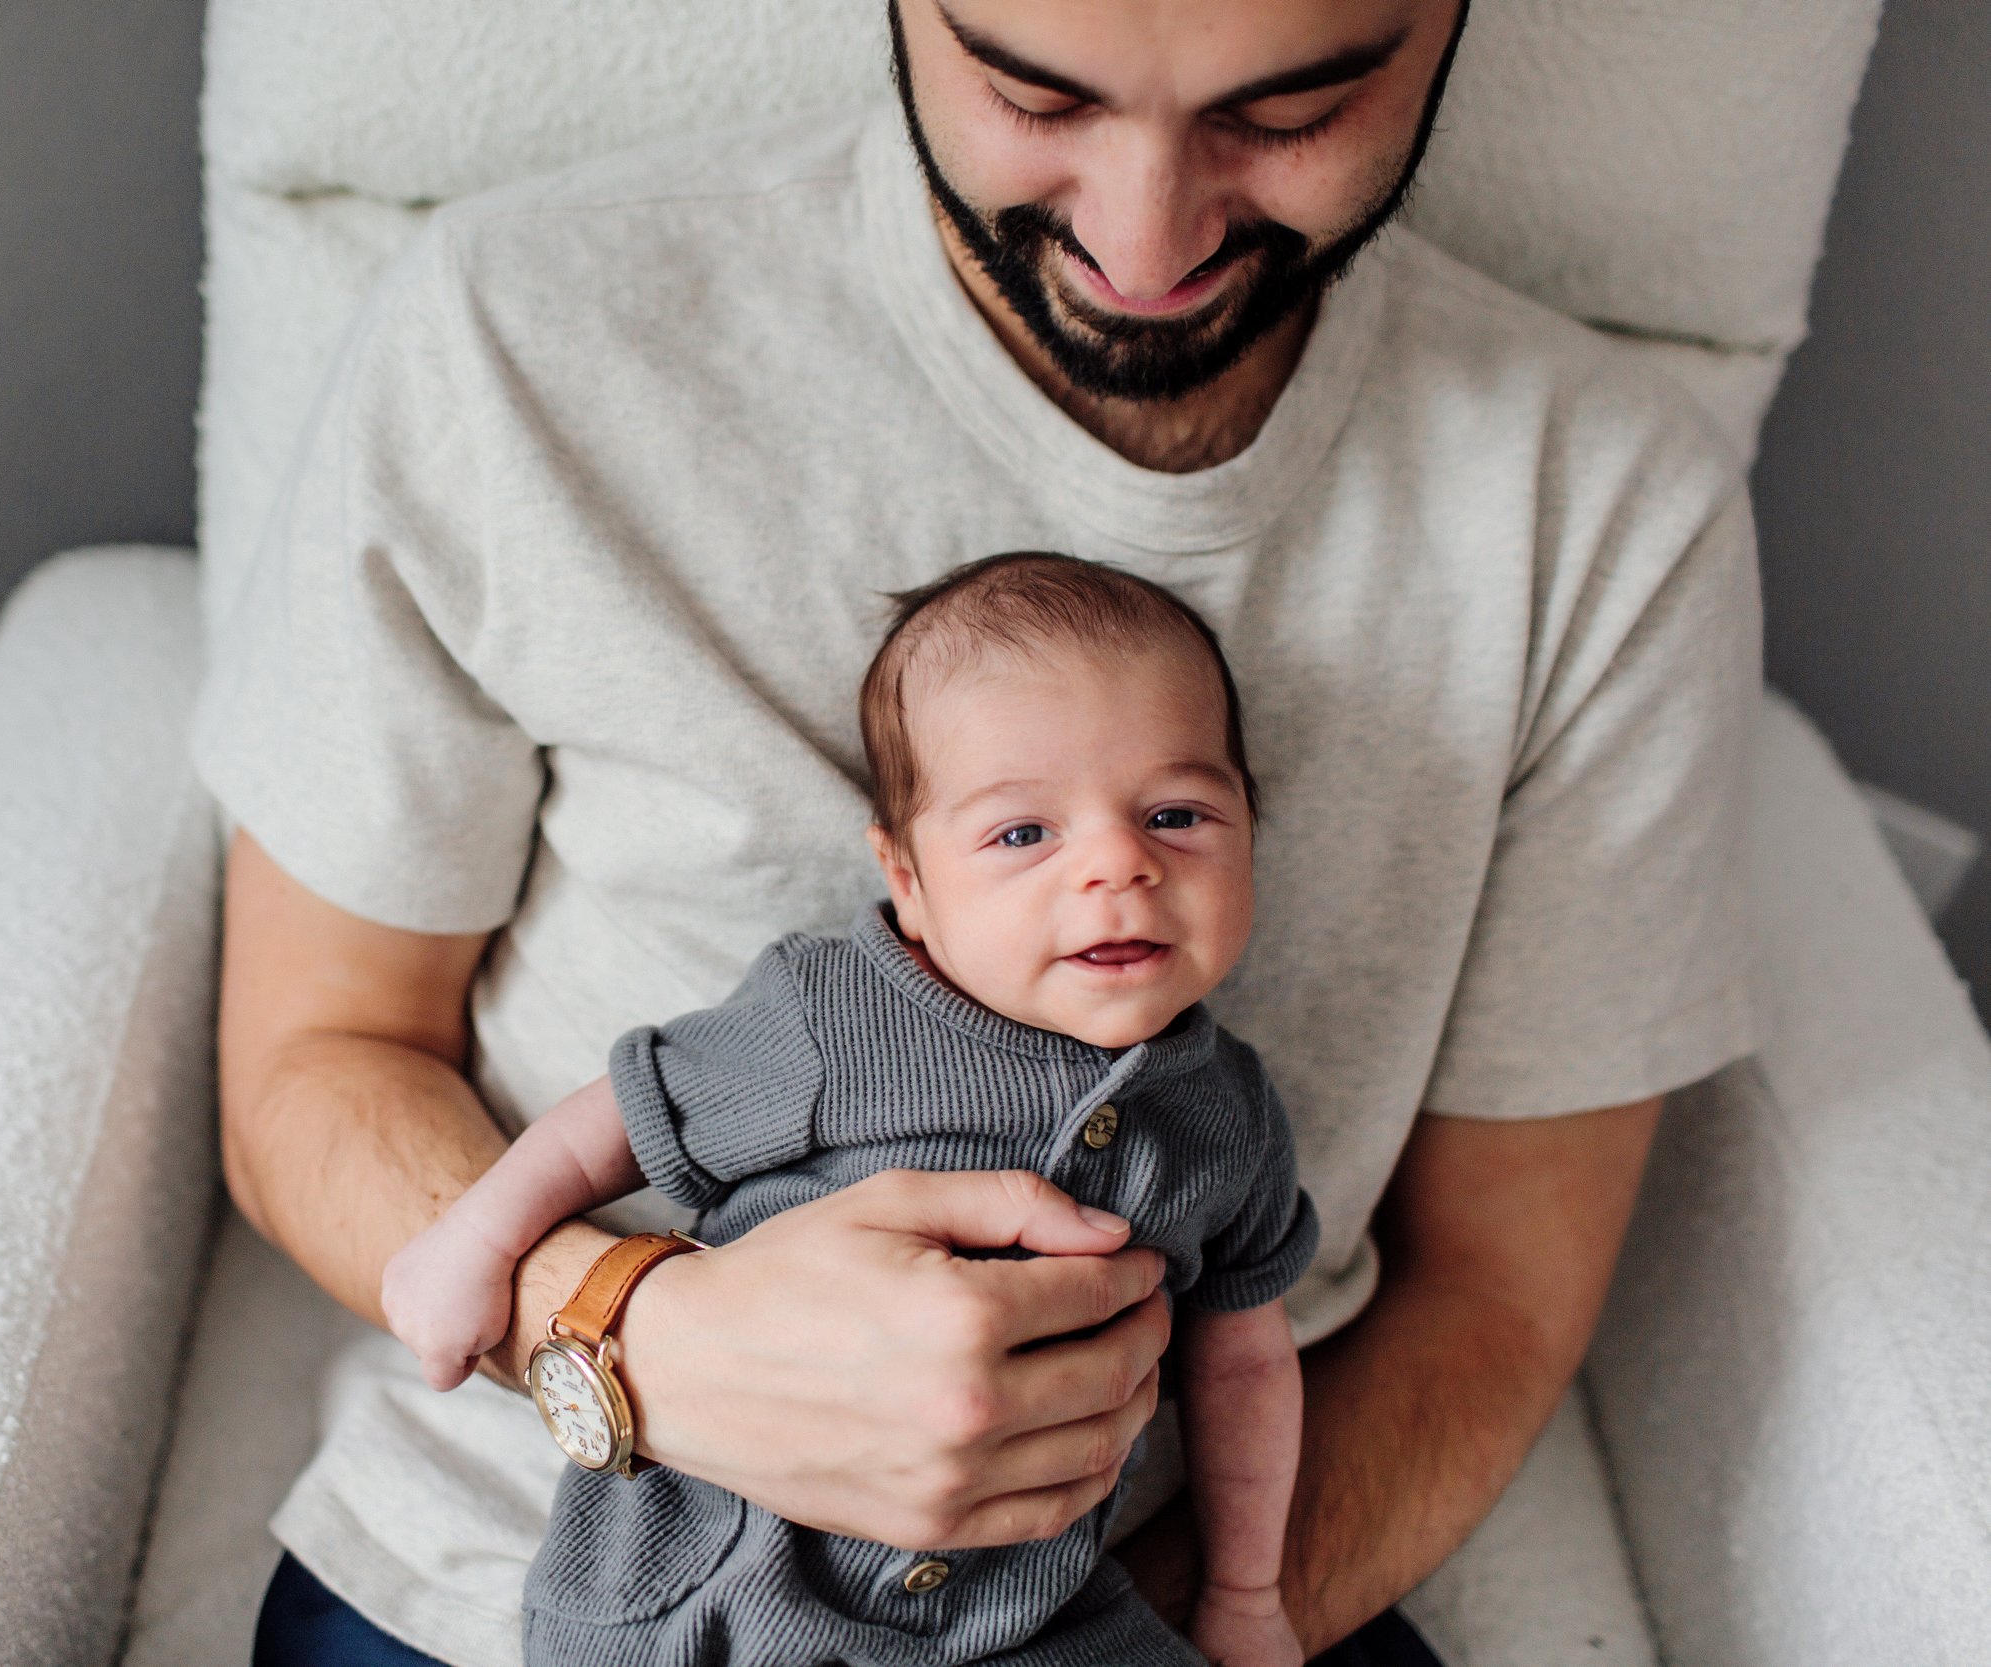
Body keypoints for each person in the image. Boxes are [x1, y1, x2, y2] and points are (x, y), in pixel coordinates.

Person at [195, 1, 1759, 1663]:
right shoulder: (512, 336)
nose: (1144, 240)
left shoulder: (1604, 510)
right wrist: (651, 1334)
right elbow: (316, 1058)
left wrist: (1178, 1622)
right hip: (534, 1563)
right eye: (1034, 90)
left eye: (1292, 108)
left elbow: (1497, 1292)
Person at [384, 554, 1316, 1667]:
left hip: (1026, 1614)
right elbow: (629, 1116)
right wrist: (479, 1238)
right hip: (713, 1581)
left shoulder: (1228, 1115)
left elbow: (1245, 1361)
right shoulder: (838, 1014)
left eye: (1176, 814)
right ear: (908, 879)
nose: (1118, 863)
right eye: (1023, 834)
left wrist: (1248, 1591)